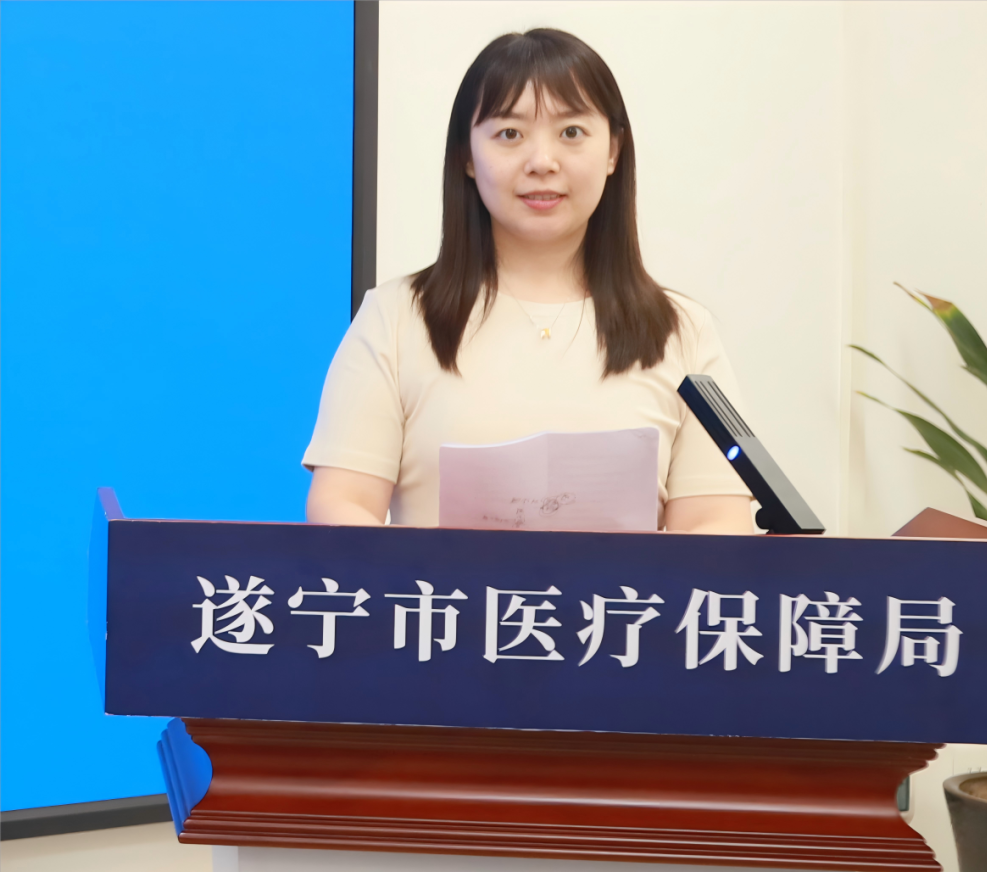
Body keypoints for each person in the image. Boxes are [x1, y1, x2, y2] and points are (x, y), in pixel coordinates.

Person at [303, 28, 753, 534]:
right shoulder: (395, 318)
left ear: (613, 151)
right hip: (437, 591)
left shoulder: (684, 331)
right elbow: (341, 505)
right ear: (467, 155)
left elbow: (716, 524)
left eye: (571, 132)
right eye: (510, 134)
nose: (542, 162)